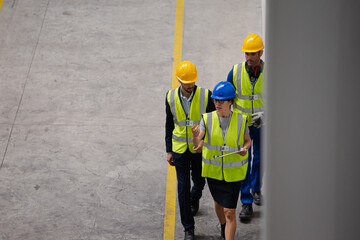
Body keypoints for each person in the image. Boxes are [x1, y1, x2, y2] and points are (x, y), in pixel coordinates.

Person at [192, 81, 251, 240]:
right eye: (215, 100)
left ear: (230, 101)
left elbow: (247, 141)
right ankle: (224, 225)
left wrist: (245, 148)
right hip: (214, 172)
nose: (217, 103)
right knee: (218, 204)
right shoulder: (207, 119)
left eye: (221, 101)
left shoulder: (241, 120)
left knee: (229, 211)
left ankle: (227, 233)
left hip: (233, 174)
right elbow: (198, 145)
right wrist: (195, 136)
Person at [165, 61, 215, 240]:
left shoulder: (205, 95)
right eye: (187, 82)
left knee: (200, 183)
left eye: (192, 81)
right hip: (179, 149)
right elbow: (169, 125)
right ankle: (188, 228)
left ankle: (194, 198)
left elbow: (211, 122)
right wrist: (169, 150)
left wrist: (206, 144)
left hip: (198, 147)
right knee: (183, 186)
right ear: (179, 81)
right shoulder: (170, 97)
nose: (190, 85)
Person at [226, 34, 265, 221]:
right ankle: (246, 201)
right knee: (244, 160)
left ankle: (256, 189)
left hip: (261, 123)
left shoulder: (271, 72)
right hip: (242, 125)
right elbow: (227, 97)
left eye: (252, 54)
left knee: (259, 157)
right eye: (246, 53)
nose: (249, 57)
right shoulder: (235, 72)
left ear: (260, 52)